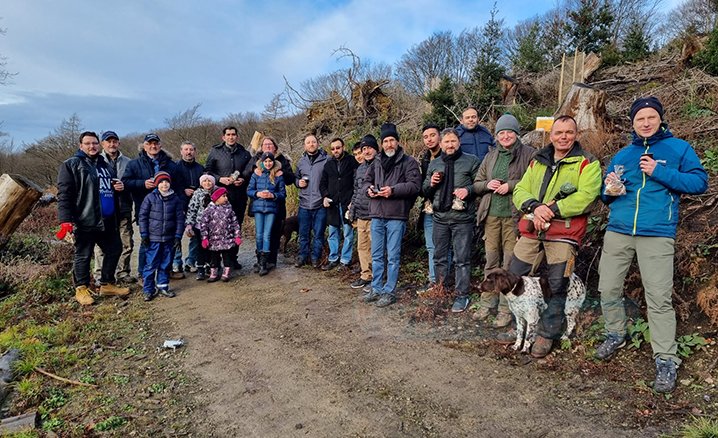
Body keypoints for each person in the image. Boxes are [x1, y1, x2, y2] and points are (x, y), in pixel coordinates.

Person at [595, 97, 708, 393]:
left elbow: (699, 183)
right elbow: (606, 195)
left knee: (658, 297)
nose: (645, 122)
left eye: (650, 117)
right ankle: (615, 333)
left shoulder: (678, 149)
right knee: (608, 288)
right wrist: (608, 191)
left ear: (660, 119)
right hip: (619, 230)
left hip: (657, 233)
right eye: (639, 119)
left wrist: (659, 171)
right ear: (632, 123)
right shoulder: (623, 154)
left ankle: (666, 359)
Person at [497, 115, 601, 358]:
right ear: (551, 135)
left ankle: (547, 333)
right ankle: (521, 326)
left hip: (564, 233)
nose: (563, 137)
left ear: (576, 134)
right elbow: (521, 190)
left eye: (568, 132)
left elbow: (587, 195)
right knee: (516, 275)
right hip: (533, 229)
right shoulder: (538, 160)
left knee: (557, 283)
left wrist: (551, 210)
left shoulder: (587, 163)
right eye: (558, 132)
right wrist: (535, 207)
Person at [473, 114, 534, 327]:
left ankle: (505, 309)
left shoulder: (528, 154)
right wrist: (487, 185)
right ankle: (486, 302)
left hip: (514, 217)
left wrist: (510, 185)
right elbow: (477, 183)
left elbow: (534, 182)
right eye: (501, 133)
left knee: (508, 265)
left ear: (516, 134)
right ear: (496, 136)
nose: (505, 136)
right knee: (491, 261)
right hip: (491, 216)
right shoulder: (490, 156)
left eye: (509, 132)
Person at [57, 131, 130, 305]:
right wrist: (65, 221)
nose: (92, 146)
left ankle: (106, 284)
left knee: (115, 249)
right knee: (83, 254)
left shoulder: (104, 164)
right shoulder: (71, 165)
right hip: (85, 219)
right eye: (88, 143)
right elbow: (64, 195)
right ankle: (81, 289)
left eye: (95, 143)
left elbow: (107, 188)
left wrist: (118, 187)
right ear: (80, 146)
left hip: (107, 219)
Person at [362, 123, 421, 307]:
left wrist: (393, 191)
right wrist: (369, 190)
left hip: (396, 216)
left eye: (392, 140)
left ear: (397, 141)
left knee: (393, 256)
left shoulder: (409, 162)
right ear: (382, 144)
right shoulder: (377, 161)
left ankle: (389, 291)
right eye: (385, 141)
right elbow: (366, 182)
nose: (389, 144)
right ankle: (377, 287)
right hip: (377, 214)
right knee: (377, 254)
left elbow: (415, 186)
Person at [423, 128, 481, 313]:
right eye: (446, 142)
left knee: (461, 259)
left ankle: (461, 295)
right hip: (440, 218)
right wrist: (431, 183)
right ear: (441, 144)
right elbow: (424, 190)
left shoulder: (471, 161)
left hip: (462, 219)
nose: (450, 145)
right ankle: (442, 291)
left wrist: (468, 190)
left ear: (459, 142)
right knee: (439, 257)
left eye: (453, 141)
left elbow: (480, 184)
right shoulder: (435, 163)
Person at [122, 133, 183, 281]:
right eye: (149, 144)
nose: (153, 146)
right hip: (146, 209)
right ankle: (144, 274)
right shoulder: (134, 164)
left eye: (155, 143)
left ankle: (166, 272)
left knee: (168, 243)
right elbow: (126, 183)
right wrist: (142, 184)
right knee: (146, 243)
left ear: (160, 145)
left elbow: (179, 186)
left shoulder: (170, 164)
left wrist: (180, 206)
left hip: (169, 210)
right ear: (144, 146)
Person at [205, 126, 254, 269]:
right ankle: (214, 261)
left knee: (235, 227)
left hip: (239, 196)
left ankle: (232, 259)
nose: (231, 137)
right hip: (219, 197)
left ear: (237, 137)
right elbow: (207, 171)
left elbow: (250, 172)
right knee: (216, 228)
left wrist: (243, 179)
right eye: (228, 134)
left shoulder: (244, 153)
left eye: (233, 134)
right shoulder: (215, 151)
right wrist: (220, 179)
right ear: (223, 137)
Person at [93, 130, 136, 284]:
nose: (112, 144)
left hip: (123, 207)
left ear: (118, 143)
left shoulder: (129, 162)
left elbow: (133, 183)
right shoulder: (95, 161)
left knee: (126, 242)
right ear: (102, 144)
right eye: (108, 141)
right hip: (103, 209)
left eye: (114, 141)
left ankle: (123, 273)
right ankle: (100, 276)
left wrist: (125, 186)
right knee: (102, 245)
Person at [250, 136, 296, 271]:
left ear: (275, 147)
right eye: (265, 144)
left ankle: (271, 261)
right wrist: (255, 170)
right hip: (259, 203)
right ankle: (261, 261)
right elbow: (247, 175)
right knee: (260, 233)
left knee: (273, 232)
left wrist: (281, 173)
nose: (268, 146)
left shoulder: (282, 159)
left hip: (276, 204)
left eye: (271, 144)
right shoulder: (256, 160)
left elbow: (290, 179)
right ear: (261, 147)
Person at [138, 171, 185, 301]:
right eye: (161, 182)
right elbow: (142, 217)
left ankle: (163, 286)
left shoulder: (175, 199)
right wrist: (144, 234)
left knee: (166, 263)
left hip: (169, 238)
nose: (164, 184)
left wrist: (177, 236)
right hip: (153, 238)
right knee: (151, 264)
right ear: (157, 184)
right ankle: (148, 289)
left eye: (166, 182)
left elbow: (180, 219)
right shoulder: (150, 198)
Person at [320, 137, 358, 271]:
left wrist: (354, 199)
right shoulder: (328, 164)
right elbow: (322, 183)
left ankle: (345, 260)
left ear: (343, 147)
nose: (336, 150)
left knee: (348, 233)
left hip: (347, 204)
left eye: (338, 147)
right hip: (332, 205)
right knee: (333, 233)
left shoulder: (352, 161)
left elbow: (357, 181)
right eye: (333, 149)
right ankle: (333, 258)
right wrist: (324, 196)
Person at [248, 152, 286, 276]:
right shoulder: (256, 174)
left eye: (270, 161)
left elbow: (282, 194)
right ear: (262, 162)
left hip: (271, 208)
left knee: (267, 235)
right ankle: (259, 260)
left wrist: (273, 195)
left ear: (273, 162)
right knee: (259, 235)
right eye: (266, 161)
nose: (268, 164)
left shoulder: (278, 175)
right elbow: (249, 190)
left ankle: (265, 262)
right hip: (258, 207)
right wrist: (257, 194)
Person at [348, 135, 378, 290]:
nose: (366, 152)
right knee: (362, 247)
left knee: (376, 248)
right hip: (361, 214)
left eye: (368, 148)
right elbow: (356, 192)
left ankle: (377, 277)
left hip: (374, 214)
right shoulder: (360, 168)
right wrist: (352, 210)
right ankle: (365, 275)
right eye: (363, 149)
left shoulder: (380, 164)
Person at [295, 134, 329, 268]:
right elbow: (295, 178)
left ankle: (315, 257)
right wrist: (298, 183)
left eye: (313, 142)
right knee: (303, 233)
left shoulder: (326, 160)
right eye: (308, 142)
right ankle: (303, 256)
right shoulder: (300, 162)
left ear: (317, 143)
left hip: (320, 203)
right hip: (304, 203)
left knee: (319, 233)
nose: (311, 144)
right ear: (305, 145)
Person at [418, 123, 444, 291]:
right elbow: (423, 186)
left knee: (444, 246)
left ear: (440, 136)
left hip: (445, 207)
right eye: (426, 137)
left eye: (432, 135)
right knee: (430, 246)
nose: (429, 139)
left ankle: (444, 281)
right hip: (428, 207)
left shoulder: (448, 155)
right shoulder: (425, 159)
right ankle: (434, 281)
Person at [172, 141, 205, 277]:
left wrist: (197, 191)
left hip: (197, 206)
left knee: (195, 234)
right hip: (179, 204)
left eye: (191, 149)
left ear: (195, 151)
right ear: (181, 151)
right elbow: (171, 185)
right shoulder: (175, 168)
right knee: (177, 235)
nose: (188, 152)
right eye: (186, 149)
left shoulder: (200, 168)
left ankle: (191, 261)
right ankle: (176, 263)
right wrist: (182, 191)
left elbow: (205, 184)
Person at [198, 187, 243, 282]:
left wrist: (237, 236)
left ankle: (226, 273)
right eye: (223, 196)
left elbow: (235, 223)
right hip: (214, 239)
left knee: (227, 257)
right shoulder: (208, 210)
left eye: (226, 196)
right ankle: (213, 273)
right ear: (216, 198)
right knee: (214, 258)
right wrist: (205, 238)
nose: (226, 198)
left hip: (227, 238)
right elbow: (203, 225)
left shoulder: (229, 209)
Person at [185, 174, 218, 280]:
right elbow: (192, 209)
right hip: (200, 225)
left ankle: (211, 265)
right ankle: (200, 268)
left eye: (209, 181)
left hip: (214, 226)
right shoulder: (197, 194)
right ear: (201, 183)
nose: (207, 183)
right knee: (201, 247)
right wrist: (189, 225)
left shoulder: (218, 192)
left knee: (211, 247)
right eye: (204, 181)